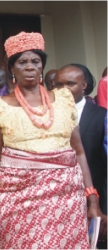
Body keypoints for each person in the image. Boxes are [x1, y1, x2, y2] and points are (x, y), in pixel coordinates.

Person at [0, 31, 103, 249]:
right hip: (18, 200)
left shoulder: (64, 100)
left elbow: (79, 152)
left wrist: (92, 199)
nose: (29, 66)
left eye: (35, 61)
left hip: (67, 201)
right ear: (11, 68)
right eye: (22, 62)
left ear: (42, 65)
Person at [54, 63, 107, 248]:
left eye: (70, 84)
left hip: (93, 204)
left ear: (84, 85)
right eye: (58, 85)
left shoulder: (102, 117)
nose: (63, 90)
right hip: (56, 204)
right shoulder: (44, 116)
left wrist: (104, 208)